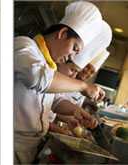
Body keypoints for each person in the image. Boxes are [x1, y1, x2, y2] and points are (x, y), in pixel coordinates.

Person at [14, 1, 106, 163]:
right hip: (9, 144)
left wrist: (76, 111)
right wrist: (84, 86)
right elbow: (37, 78)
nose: (71, 57)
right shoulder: (24, 45)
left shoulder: (50, 65)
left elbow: (55, 101)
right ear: (63, 33)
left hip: (29, 148)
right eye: (74, 48)